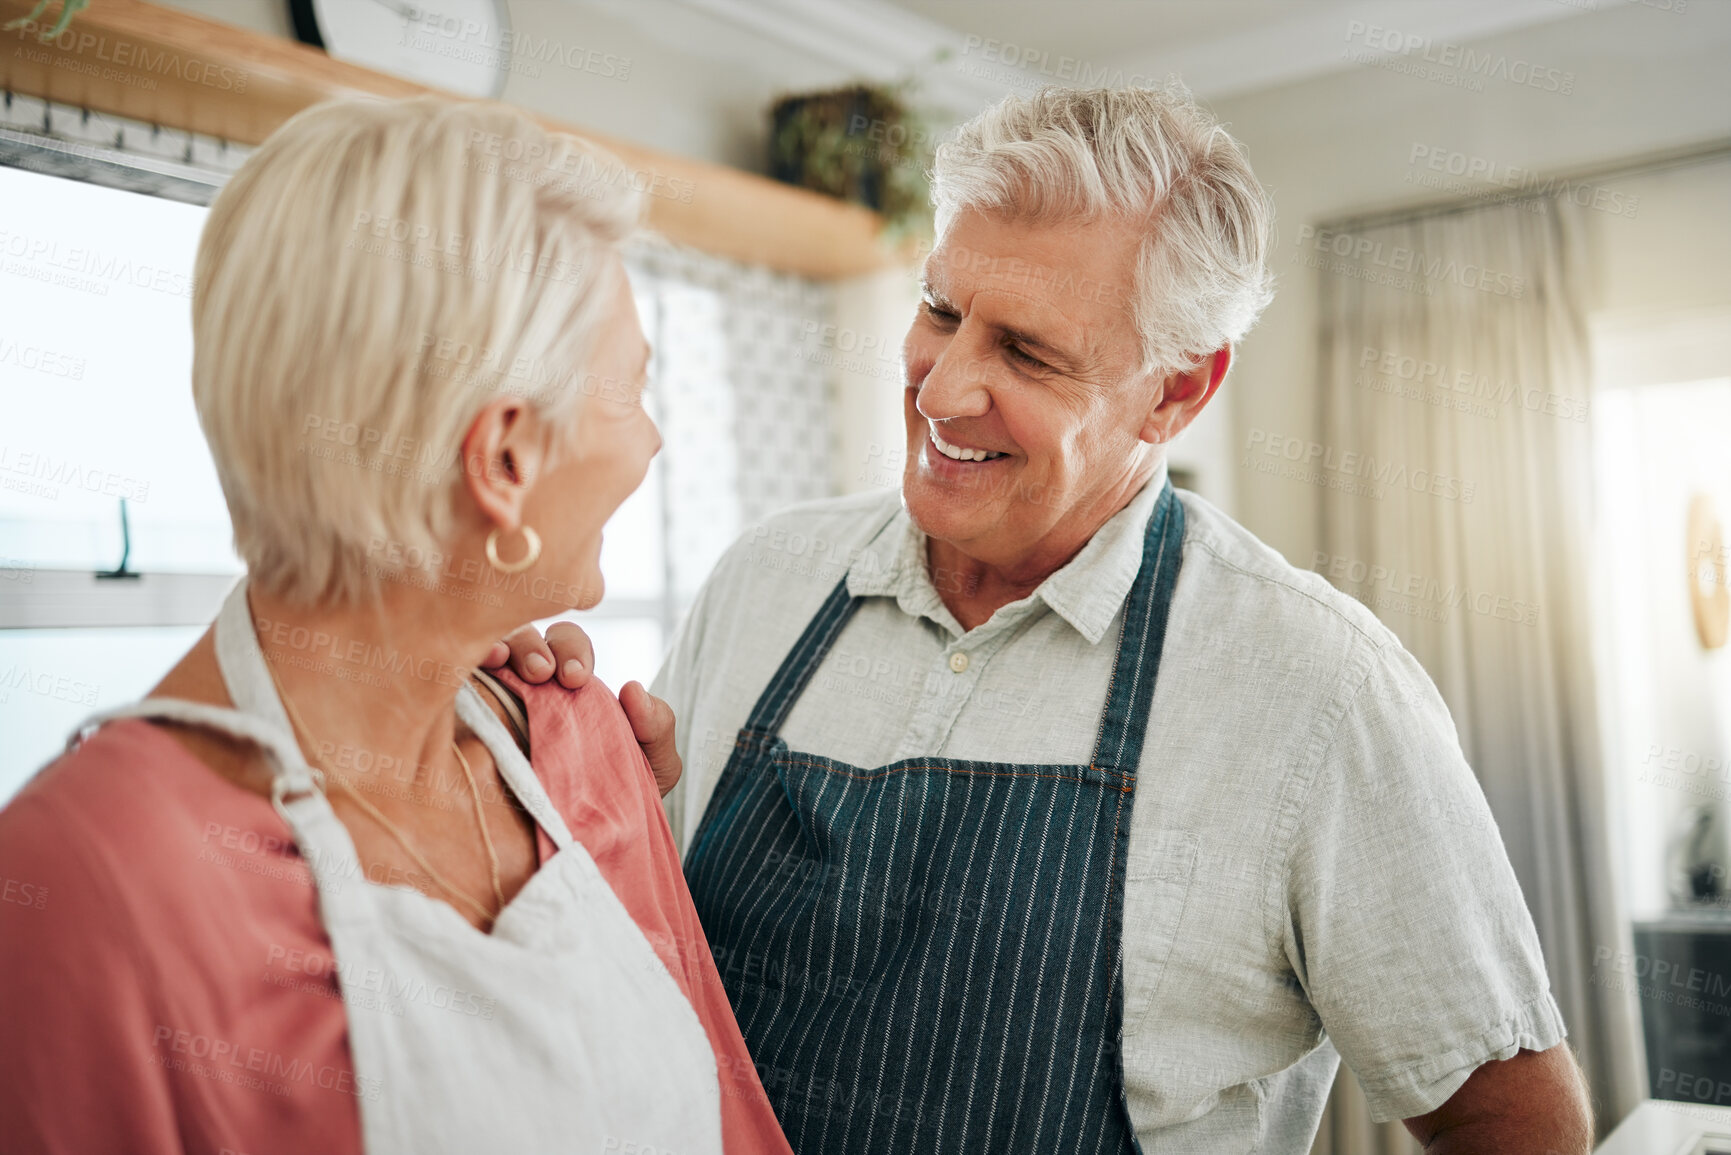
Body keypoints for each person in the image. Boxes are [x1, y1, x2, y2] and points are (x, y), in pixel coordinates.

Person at [493, 85, 1595, 1153]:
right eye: (939, 311)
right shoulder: (765, 579)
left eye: (1025, 352)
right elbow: (646, 983)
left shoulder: (1319, 689)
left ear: (1177, 392)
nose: (939, 389)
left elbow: (1514, 1120)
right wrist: (557, 802)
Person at [0, 96, 790, 1155]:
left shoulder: (581, 746)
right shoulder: (87, 885)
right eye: (630, 392)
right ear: (504, 462)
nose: (648, 444)